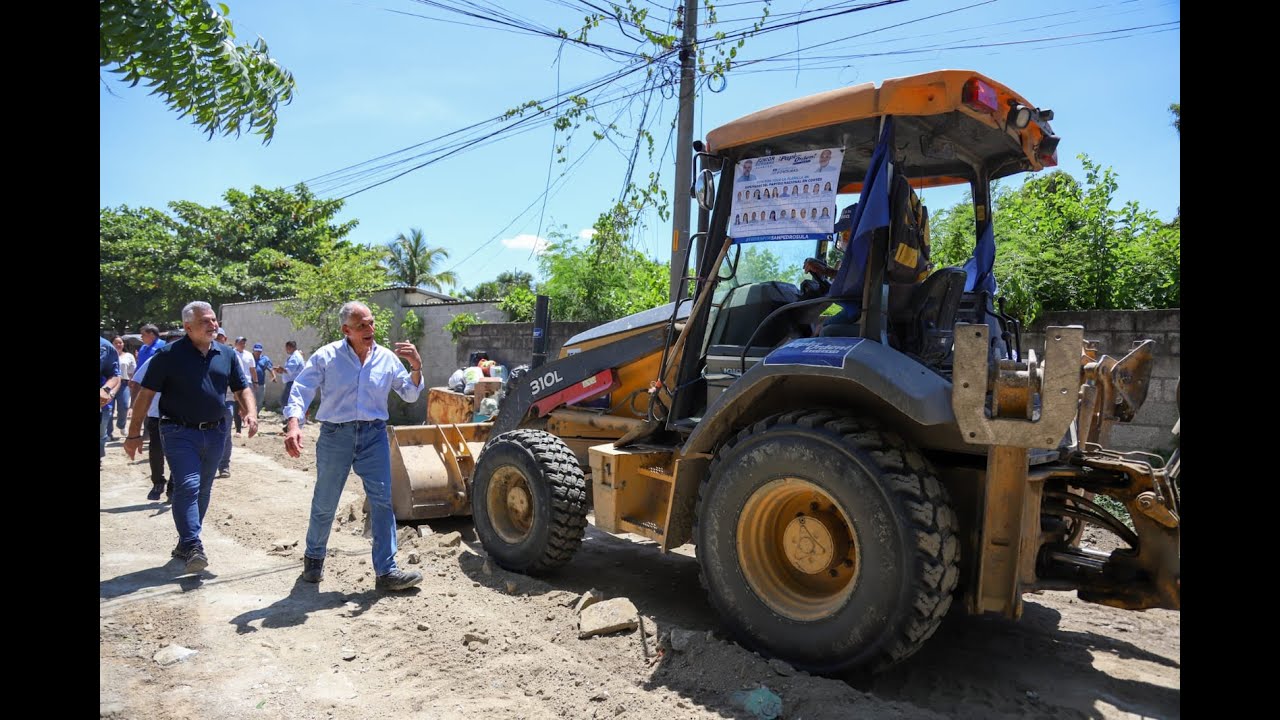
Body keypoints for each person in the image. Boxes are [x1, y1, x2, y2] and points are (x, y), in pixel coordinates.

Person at [285, 301, 425, 592]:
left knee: (383, 501)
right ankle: (314, 559)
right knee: (325, 500)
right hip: (336, 435)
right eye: (362, 326)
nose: (370, 330)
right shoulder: (327, 356)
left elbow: (410, 395)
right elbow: (302, 389)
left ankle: (386, 571)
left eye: (371, 323)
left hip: (374, 436)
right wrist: (294, 424)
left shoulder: (386, 358)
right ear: (346, 330)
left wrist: (416, 367)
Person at [124, 301, 257, 574]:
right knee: (188, 485)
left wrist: (251, 413)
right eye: (206, 321)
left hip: (216, 431)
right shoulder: (168, 356)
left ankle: (185, 543)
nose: (213, 325)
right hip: (178, 430)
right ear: (188, 327)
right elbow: (145, 395)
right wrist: (134, 433)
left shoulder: (226, 354)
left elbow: (241, 388)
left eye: (213, 320)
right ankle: (193, 543)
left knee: (204, 489)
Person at [131, 356, 174, 502]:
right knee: (156, 450)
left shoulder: (192, 358)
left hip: (180, 416)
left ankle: (173, 487)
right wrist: (135, 406)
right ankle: (158, 482)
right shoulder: (156, 359)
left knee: (178, 452)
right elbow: (136, 382)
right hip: (156, 413)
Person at [100, 336, 122, 466]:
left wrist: (106, 389)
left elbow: (114, 374)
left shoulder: (105, 346)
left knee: (102, 433)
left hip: (102, 403)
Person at [110, 336, 136, 441]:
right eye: (116, 343)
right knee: (109, 409)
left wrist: (132, 381)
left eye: (120, 343)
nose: (118, 345)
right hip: (110, 383)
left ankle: (121, 425)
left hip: (124, 383)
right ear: (111, 344)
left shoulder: (129, 356)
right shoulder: (108, 355)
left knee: (124, 406)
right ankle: (108, 433)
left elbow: (132, 371)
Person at [231, 336, 258, 436]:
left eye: (244, 343)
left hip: (248, 382)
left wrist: (255, 382)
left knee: (248, 405)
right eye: (241, 343)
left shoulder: (249, 355)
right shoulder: (232, 353)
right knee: (237, 406)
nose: (243, 345)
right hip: (236, 383)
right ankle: (238, 430)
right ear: (236, 343)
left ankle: (248, 423)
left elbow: (252, 369)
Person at [251, 343, 273, 414]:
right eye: (256, 351)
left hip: (261, 383)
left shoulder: (265, 359)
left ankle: (256, 413)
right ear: (253, 350)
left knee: (260, 401)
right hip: (251, 383)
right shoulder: (249, 357)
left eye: (259, 351)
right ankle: (252, 414)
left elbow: (270, 367)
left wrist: (273, 376)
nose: (258, 352)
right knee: (251, 400)